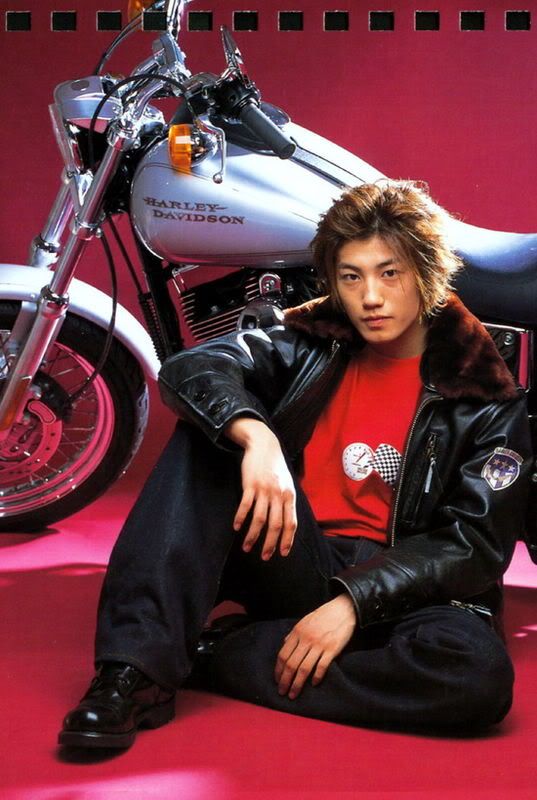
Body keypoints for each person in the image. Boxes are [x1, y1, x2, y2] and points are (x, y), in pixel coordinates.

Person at [59, 180, 532, 749]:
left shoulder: (486, 394)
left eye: (390, 273)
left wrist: (354, 602)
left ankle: (217, 653)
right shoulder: (309, 338)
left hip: (408, 585)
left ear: (426, 274)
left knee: (475, 678)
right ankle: (134, 672)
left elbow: (472, 544)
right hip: (292, 554)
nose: (370, 297)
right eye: (351, 277)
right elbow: (193, 368)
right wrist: (256, 435)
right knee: (210, 434)